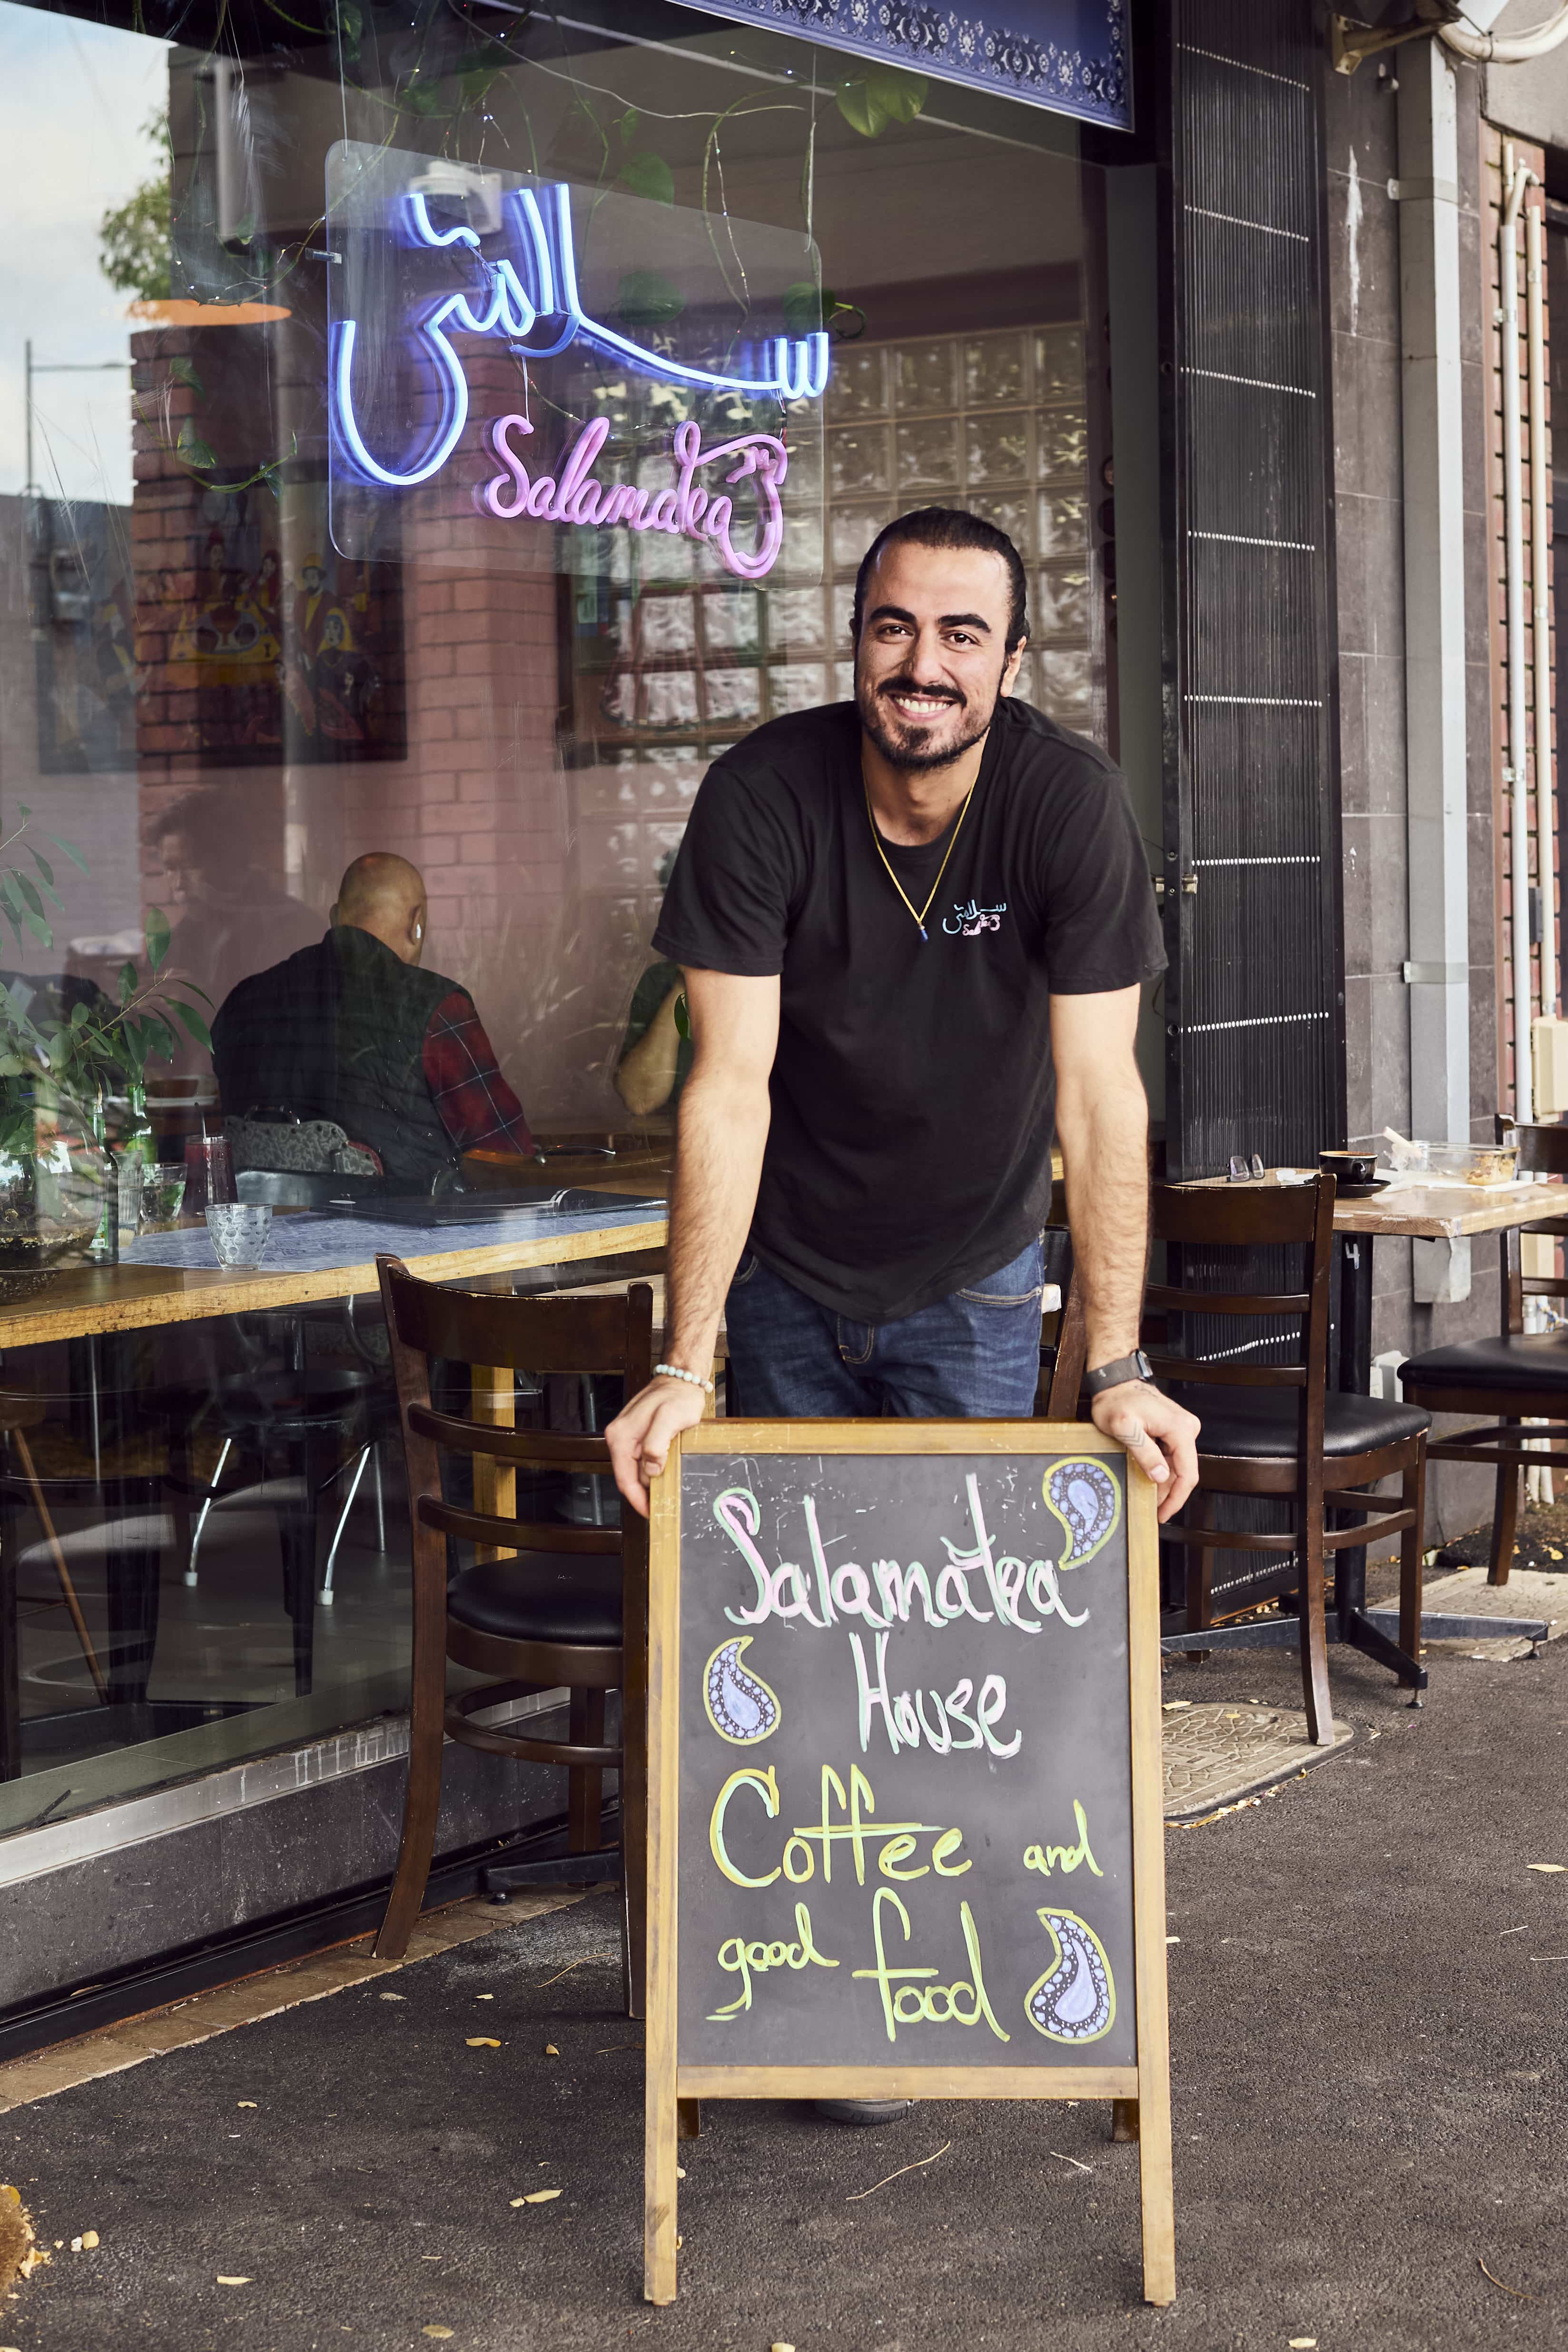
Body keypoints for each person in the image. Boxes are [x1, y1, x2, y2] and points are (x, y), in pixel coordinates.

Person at [605, 508, 1200, 2114]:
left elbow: (1100, 1099)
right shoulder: (758, 797)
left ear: (1012, 661)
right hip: (789, 1275)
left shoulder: (1065, 811)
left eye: (957, 636)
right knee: (796, 1652)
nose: (918, 664)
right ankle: (813, 1989)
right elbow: (723, 1088)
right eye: (890, 628)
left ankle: (937, 1979)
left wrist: (1117, 1361)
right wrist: (684, 1351)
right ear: (851, 640)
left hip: (972, 1277)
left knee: (954, 1651)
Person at [211, 852, 535, 1185]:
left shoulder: (242, 1001)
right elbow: (506, 1157)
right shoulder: (437, 1007)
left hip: (265, 1232)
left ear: (336, 918)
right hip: (408, 1231)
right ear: (417, 924)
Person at [153, 790, 321, 1014]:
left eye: (191, 865)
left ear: (230, 861)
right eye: (171, 868)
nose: (178, 883)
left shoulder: (295, 927)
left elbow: (302, 1019)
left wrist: (204, 1000)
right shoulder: (173, 943)